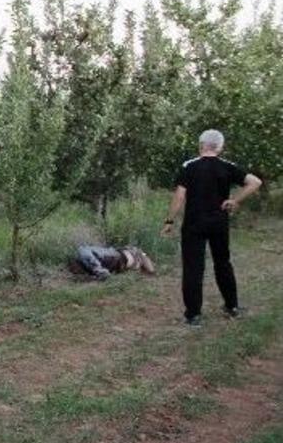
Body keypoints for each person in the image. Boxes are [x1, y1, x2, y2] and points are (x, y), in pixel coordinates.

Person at [162, 129, 262, 325]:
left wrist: (169, 221)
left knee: (193, 268)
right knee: (223, 263)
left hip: (193, 225)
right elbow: (255, 182)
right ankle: (232, 307)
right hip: (219, 224)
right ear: (220, 147)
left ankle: (193, 316)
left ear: (201, 145)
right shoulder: (227, 166)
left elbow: (180, 196)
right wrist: (235, 200)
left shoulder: (189, 166)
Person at [72, 245, 156, 279]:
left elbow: (101, 271)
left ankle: (146, 264)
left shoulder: (82, 253)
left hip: (118, 257)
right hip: (119, 261)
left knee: (148, 268)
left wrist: (100, 271)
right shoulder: (87, 267)